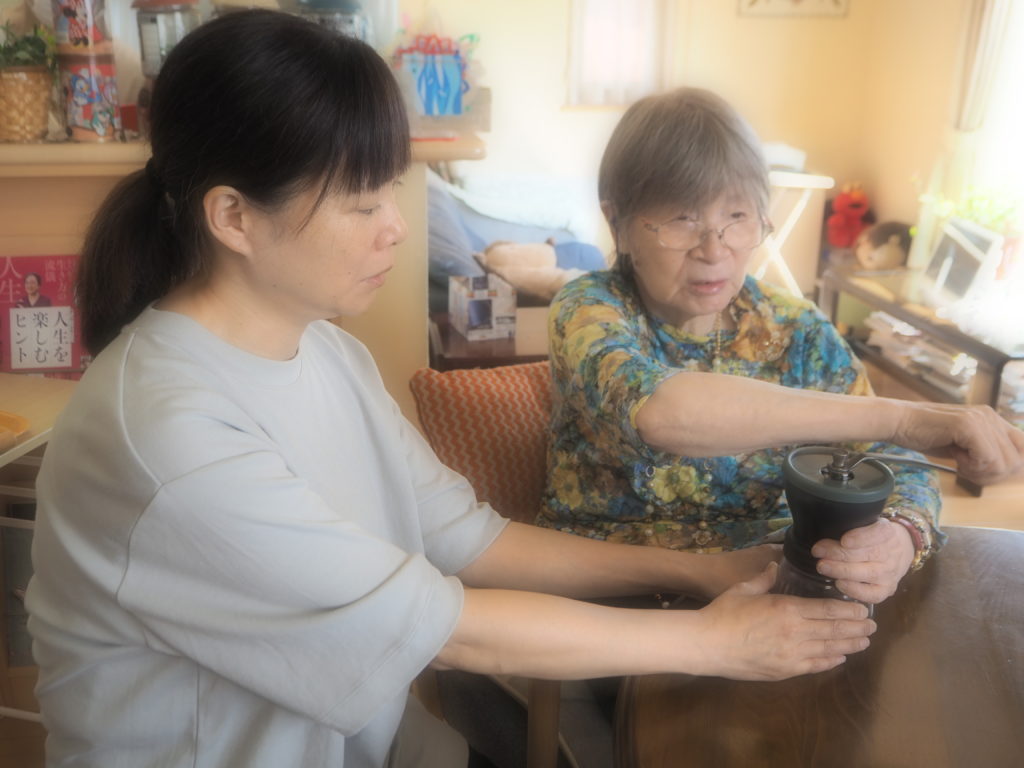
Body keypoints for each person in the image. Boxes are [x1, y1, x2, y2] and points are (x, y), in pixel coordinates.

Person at [25, 15, 877, 768]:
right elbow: (448, 628)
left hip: (381, 746)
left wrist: (699, 571)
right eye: (361, 204)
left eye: (390, 191)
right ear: (233, 217)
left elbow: (470, 541)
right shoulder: (165, 435)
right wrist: (715, 642)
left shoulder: (328, 352)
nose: (396, 227)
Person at [540, 86, 1024, 607]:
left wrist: (901, 535)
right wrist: (903, 416)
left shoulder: (794, 328)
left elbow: (895, 459)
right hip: (612, 600)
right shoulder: (588, 310)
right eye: (682, 219)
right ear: (617, 223)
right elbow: (661, 414)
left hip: (771, 591)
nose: (714, 250)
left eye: (737, 216)